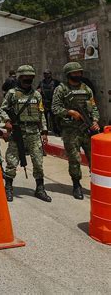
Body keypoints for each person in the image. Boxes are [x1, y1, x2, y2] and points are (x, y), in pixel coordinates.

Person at [0, 65, 51, 203]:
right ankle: (8, 188)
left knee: (38, 162)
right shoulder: (12, 93)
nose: (28, 80)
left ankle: (40, 188)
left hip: (34, 133)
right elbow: (2, 110)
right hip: (18, 132)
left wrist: (44, 132)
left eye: (30, 78)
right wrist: (7, 121)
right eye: (25, 78)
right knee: (12, 161)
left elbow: (41, 114)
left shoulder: (37, 94)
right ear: (20, 78)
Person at [52, 62, 100, 200]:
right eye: (75, 73)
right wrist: (70, 112)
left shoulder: (86, 89)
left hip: (87, 129)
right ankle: (76, 185)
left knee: (94, 159)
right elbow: (55, 108)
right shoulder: (61, 89)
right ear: (68, 75)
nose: (78, 75)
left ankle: (96, 185)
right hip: (70, 130)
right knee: (75, 159)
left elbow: (94, 107)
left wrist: (95, 120)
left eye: (79, 72)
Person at [37, 69, 60, 135]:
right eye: (45, 73)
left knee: (54, 118)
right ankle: (45, 130)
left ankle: (56, 131)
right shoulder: (41, 82)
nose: (46, 75)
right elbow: (38, 90)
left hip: (53, 102)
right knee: (44, 118)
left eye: (47, 73)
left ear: (50, 74)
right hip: (44, 102)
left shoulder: (55, 82)